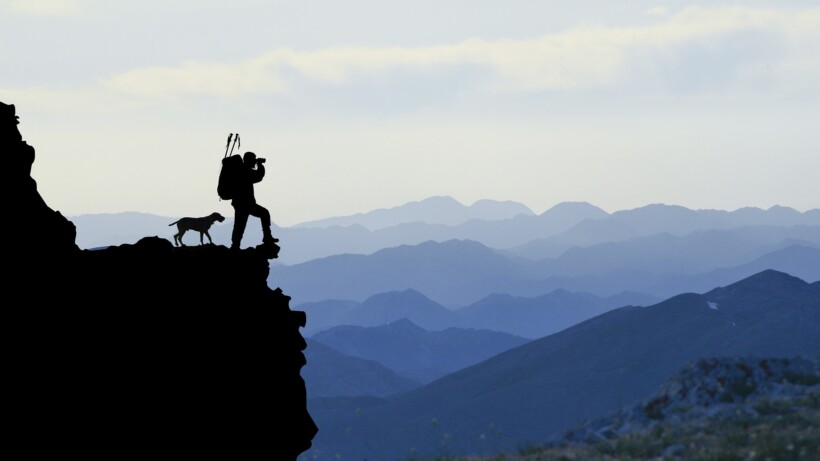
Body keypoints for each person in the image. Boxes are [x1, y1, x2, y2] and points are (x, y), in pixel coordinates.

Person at [230, 151, 276, 250]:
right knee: (262, 214)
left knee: (239, 225)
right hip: (245, 203)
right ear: (248, 160)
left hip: (240, 203)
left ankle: (235, 245)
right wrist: (260, 165)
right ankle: (267, 237)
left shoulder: (240, 169)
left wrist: (258, 164)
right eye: (253, 159)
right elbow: (258, 176)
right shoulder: (244, 170)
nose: (254, 162)